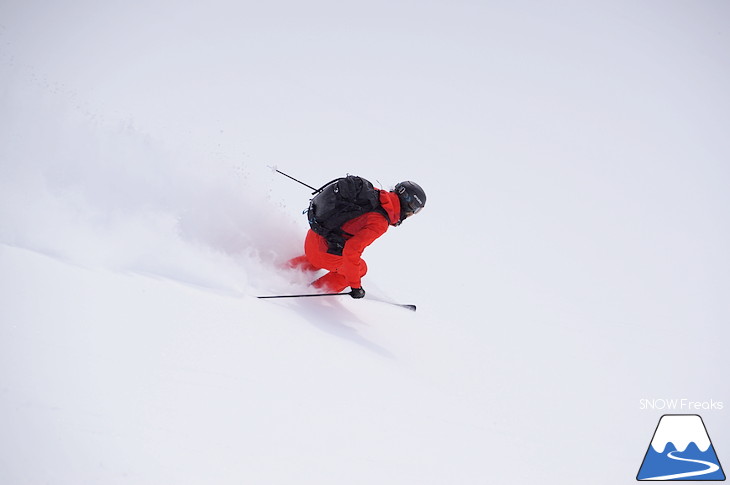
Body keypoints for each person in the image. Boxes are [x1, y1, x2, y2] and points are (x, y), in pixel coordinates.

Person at [288, 180, 426, 299]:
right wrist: (355, 287)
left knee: (333, 251)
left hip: (313, 237)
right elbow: (351, 251)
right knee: (360, 268)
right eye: (415, 210)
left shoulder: (373, 194)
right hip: (323, 254)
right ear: (409, 206)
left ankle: (286, 269)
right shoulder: (380, 222)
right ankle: (312, 295)